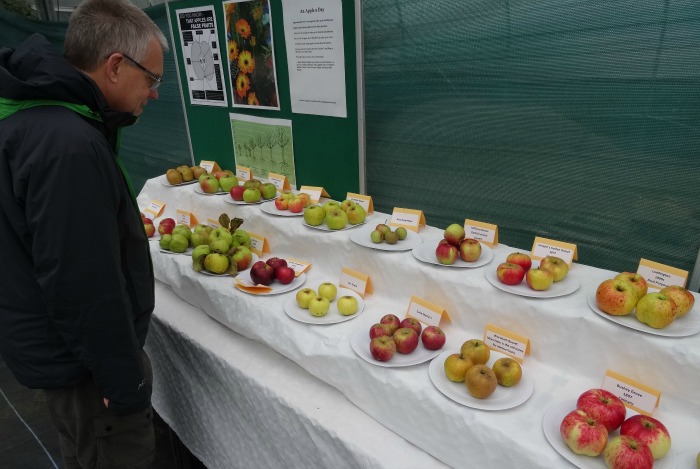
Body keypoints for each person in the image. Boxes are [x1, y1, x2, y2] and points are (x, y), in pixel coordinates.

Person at [0, 0, 168, 467]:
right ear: (115, 66)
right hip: (83, 366)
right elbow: (81, 281)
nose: (154, 94)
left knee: (82, 448)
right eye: (151, 79)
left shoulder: (34, 118)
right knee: (109, 452)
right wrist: (123, 381)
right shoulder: (67, 145)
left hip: (55, 348)